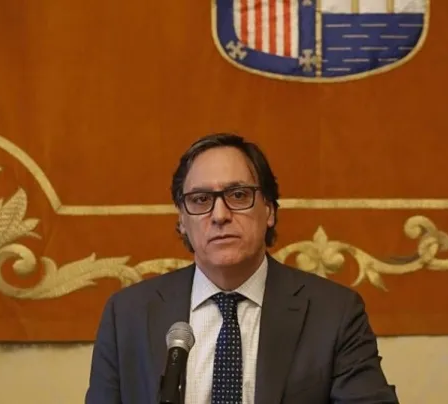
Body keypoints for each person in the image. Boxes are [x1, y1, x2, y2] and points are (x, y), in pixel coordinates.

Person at [85, 133, 399, 404]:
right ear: (182, 220)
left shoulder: (334, 313)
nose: (219, 215)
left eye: (238, 195)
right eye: (200, 199)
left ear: (269, 210)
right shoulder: (127, 315)